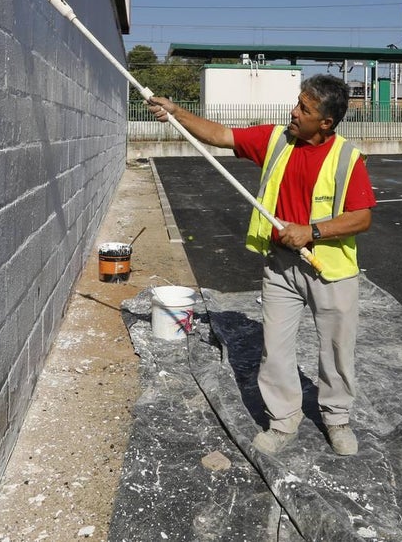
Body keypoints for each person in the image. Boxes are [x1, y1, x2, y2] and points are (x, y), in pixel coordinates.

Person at [147, 75, 375, 456]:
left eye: (304, 109)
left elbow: (362, 217)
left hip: (331, 271)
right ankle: (284, 420)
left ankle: (336, 419)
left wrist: (312, 231)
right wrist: (176, 112)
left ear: (326, 123)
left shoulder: (346, 158)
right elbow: (222, 135)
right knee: (275, 349)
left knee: (336, 350)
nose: (293, 112)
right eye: (297, 102)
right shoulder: (276, 140)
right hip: (281, 267)